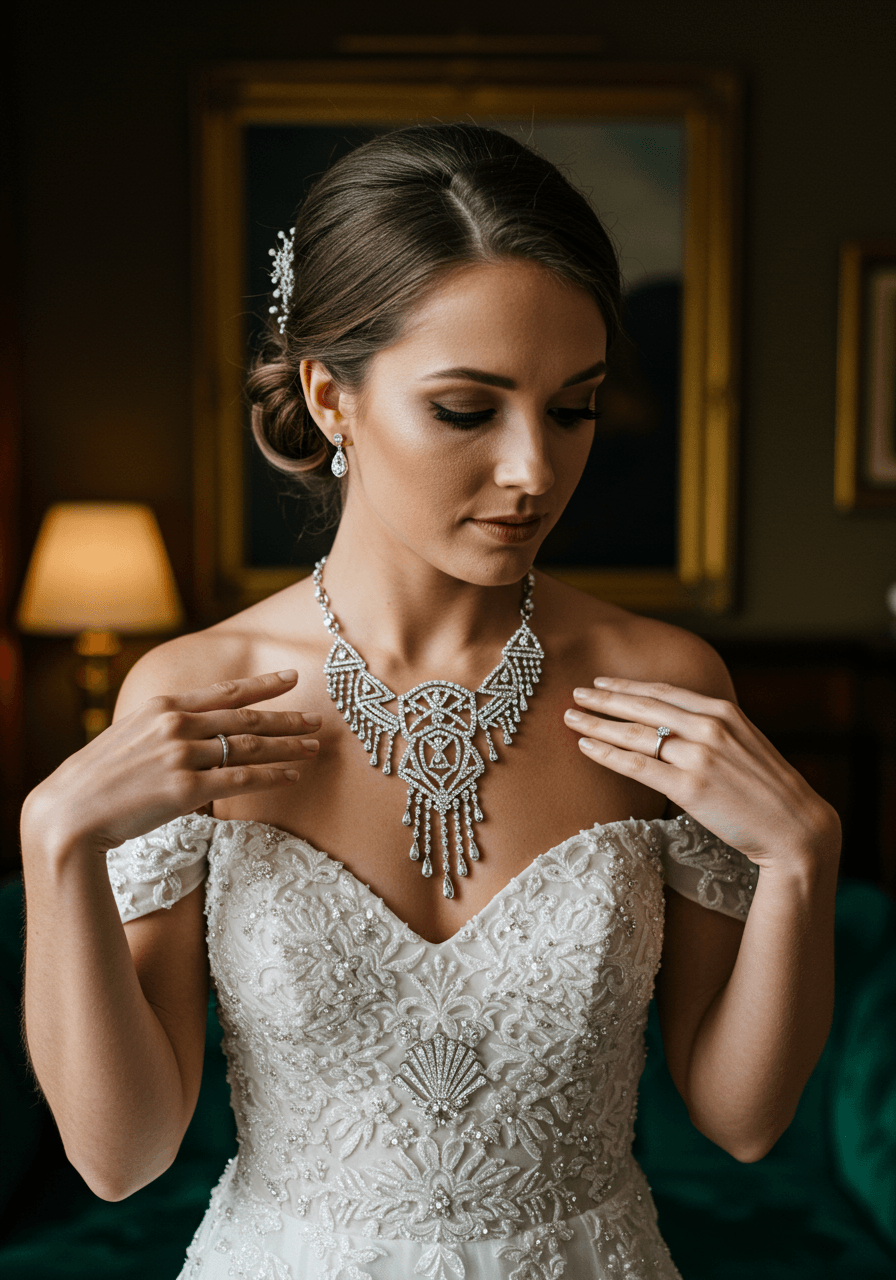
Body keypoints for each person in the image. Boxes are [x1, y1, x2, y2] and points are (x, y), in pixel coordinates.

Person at [21, 124, 841, 1280]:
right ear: (330, 398)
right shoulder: (198, 691)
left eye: (573, 408)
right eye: (467, 409)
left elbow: (740, 1116)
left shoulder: (658, 682)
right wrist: (55, 840)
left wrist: (802, 858)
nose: (534, 471)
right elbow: (121, 1154)